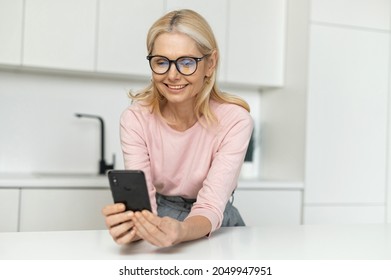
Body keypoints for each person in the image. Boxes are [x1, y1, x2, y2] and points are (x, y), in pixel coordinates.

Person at [102, 9, 253, 248]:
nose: (172, 75)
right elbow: (144, 204)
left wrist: (181, 230)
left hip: (213, 225)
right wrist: (134, 227)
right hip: (160, 221)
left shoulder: (235, 120)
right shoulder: (135, 119)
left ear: (210, 63)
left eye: (186, 62)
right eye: (161, 62)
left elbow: (211, 205)